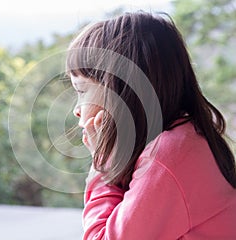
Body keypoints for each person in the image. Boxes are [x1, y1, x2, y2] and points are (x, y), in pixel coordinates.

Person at [66, 11, 236, 239]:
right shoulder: (186, 137)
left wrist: (103, 164)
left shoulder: (170, 155)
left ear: (122, 92)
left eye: (82, 91)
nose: (77, 109)